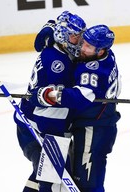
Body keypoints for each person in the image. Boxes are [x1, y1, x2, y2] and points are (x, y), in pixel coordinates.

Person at [38, 24, 121, 192]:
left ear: (101, 51)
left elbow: (78, 98)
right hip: (95, 125)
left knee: (88, 185)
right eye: (83, 42)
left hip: (94, 129)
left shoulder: (93, 71)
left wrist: (47, 95)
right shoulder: (106, 55)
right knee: (79, 181)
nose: (82, 48)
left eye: (88, 47)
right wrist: (53, 29)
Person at [13, 11, 86, 192]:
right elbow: (58, 104)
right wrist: (57, 140)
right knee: (52, 176)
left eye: (80, 35)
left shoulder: (55, 45)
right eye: (75, 36)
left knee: (45, 172)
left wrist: (50, 27)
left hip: (31, 119)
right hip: (40, 125)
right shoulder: (58, 66)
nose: (80, 40)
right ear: (62, 35)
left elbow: (51, 25)